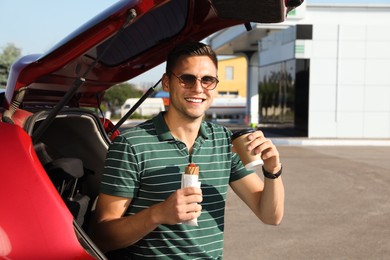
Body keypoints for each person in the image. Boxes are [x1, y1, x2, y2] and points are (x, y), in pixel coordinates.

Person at [91, 42, 284, 259]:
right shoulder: (131, 145)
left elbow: (270, 216)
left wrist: (273, 170)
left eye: (208, 80)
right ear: (167, 82)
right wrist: (158, 214)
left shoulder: (224, 142)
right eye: (187, 78)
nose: (198, 88)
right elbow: (102, 236)